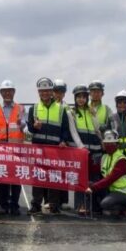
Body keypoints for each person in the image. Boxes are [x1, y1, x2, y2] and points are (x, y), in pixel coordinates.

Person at [27, 77, 71, 215]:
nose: (44, 93)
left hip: (55, 149)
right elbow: (30, 129)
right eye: (42, 91)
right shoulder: (34, 108)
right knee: (38, 177)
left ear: (51, 91)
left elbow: (65, 129)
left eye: (47, 90)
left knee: (54, 177)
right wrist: (34, 127)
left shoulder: (60, 109)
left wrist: (63, 140)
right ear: (38, 92)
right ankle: (36, 204)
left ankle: (54, 205)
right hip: (39, 149)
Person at [0, 80, 26, 215]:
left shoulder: (20, 108)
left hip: (16, 149)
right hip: (1, 150)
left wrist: (21, 124)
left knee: (16, 179)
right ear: (1, 93)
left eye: (10, 91)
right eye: (4, 91)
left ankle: (15, 205)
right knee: (3, 178)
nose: (7, 93)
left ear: (14, 92)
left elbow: (25, 126)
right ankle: (4, 205)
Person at [70, 85, 103, 216]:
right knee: (80, 179)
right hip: (81, 152)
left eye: (84, 97)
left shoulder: (91, 111)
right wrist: (81, 147)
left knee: (94, 179)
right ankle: (80, 205)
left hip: (95, 150)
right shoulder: (71, 112)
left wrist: (102, 143)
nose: (81, 99)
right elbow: (73, 132)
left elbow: (97, 129)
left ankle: (92, 205)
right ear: (75, 98)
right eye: (79, 97)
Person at [87, 130, 126, 217]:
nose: (108, 146)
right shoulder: (105, 157)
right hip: (112, 189)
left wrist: (93, 187)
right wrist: (87, 157)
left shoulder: (121, 160)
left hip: (124, 192)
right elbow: (95, 169)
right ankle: (98, 209)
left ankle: (123, 208)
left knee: (105, 203)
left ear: (117, 145)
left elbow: (110, 179)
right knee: (92, 184)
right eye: (106, 144)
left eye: (111, 144)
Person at [55, 79, 82, 210]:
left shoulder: (67, 108)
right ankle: (50, 200)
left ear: (64, 93)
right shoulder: (49, 106)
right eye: (56, 91)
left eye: (61, 92)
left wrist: (65, 141)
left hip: (63, 145)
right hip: (52, 145)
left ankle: (62, 201)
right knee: (49, 174)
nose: (58, 94)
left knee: (62, 173)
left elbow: (69, 128)